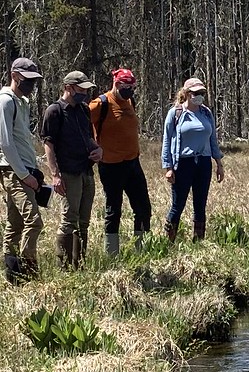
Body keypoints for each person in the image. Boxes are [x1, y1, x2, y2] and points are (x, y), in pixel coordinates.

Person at [0, 56, 46, 283]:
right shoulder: (5, 102)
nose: (31, 84)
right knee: (34, 221)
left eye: (34, 80)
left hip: (25, 168)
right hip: (14, 171)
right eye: (27, 79)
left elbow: (21, 140)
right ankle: (28, 269)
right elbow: (5, 143)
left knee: (15, 223)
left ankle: (13, 276)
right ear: (14, 76)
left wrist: (33, 169)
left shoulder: (21, 102)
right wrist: (24, 175)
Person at [41, 70, 102, 269]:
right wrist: (55, 175)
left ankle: (79, 262)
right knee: (69, 220)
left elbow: (88, 137)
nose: (84, 93)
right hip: (68, 173)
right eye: (80, 89)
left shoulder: (84, 110)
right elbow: (48, 144)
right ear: (68, 88)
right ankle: (64, 265)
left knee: (84, 221)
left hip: (86, 171)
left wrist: (98, 150)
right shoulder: (55, 111)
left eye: (86, 89)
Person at [89, 67, 151, 257]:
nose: (130, 91)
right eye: (126, 87)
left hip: (133, 163)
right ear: (116, 84)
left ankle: (142, 250)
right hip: (111, 165)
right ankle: (112, 254)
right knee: (113, 209)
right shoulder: (101, 103)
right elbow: (81, 125)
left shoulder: (129, 101)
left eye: (133, 88)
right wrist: (93, 146)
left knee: (143, 208)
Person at [161, 76, 224, 242]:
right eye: (196, 92)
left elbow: (213, 140)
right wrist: (168, 168)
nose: (200, 95)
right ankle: (169, 242)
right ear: (187, 93)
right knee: (178, 205)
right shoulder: (176, 113)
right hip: (183, 163)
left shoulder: (206, 113)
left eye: (202, 92)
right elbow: (167, 141)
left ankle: (198, 242)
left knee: (200, 204)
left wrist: (218, 163)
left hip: (203, 163)